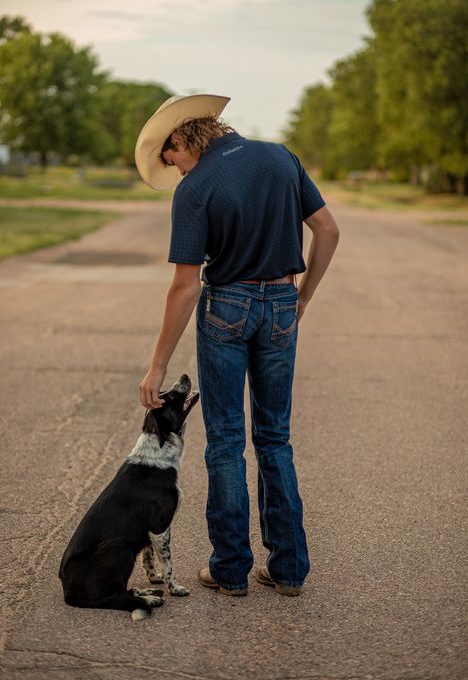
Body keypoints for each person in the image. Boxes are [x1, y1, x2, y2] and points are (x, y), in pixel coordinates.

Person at [135, 94, 339, 597]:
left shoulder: (196, 190)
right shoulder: (281, 157)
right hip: (280, 303)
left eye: (172, 160)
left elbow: (185, 286)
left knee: (226, 442)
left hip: (226, 304)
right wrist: (302, 298)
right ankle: (289, 569)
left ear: (181, 139)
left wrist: (157, 367)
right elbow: (329, 231)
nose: (177, 172)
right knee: (274, 438)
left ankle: (229, 571)